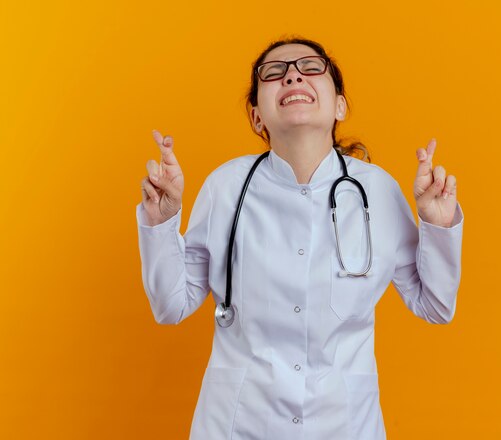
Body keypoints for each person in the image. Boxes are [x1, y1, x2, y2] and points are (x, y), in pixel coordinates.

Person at [136, 36, 464, 440]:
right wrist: (161, 223)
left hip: (345, 426)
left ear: (339, 105)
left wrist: (438, 225)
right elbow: (172, 305)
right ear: (258, 117)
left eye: (310, 68)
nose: (292, 75)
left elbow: (435, 305)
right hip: (238, 425)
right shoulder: (226, 187)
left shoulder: (377, 191)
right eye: (274, 73)